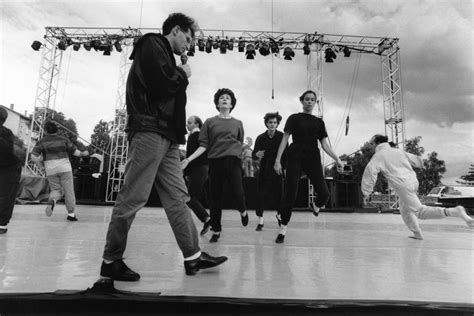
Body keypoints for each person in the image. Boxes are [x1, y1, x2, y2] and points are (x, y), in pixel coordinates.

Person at [98, 13, 227, 282]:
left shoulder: (166, 55)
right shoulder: (152, 44)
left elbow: (169, 93)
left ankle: (193, 256)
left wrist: (179, 75)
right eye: (188, 38)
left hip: (167, 134)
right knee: (133, 196)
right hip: (149, 130)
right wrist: (181, 74)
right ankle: (111, 260)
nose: (189, 45)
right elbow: (162, 86)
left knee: (178, 197)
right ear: (176, 30)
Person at [362, 134, 474, 240]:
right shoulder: (398, 151)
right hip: (413, 182)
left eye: (372, 144)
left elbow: (370, 173)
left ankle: (455, 211)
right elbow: (417, 161)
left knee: (420, 212)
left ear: (377, 143)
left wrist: (366, 193)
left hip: (402, 185)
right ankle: (417, 233)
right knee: (405, 209)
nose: (371, 146)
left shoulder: (378, 156)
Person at [274, 90, 342, 243]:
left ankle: (316, 206)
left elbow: (325, 144)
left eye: (312, 99)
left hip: (312, 156)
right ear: (302, 101)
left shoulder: (319, 122)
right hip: (295, 155)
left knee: (324, 194)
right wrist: (278, 160)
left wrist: (337, 158)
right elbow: (285, 139)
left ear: (315, 102)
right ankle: (283, 228)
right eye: (307, 99)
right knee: (291, 193)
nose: (309, 101)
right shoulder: (294, 118)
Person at [182, 88, 249, 243]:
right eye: (221, 98)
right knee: (215, 198)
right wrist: (188, 159)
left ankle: (243, 210)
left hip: (233, 161)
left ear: (231, 104)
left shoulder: (238, 123)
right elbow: (204, 145)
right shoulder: (209, 122)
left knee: (238, 192)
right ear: (217, 103)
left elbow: (238, 142)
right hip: (215, 162)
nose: (224, 100)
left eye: (227, 98)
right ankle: (216, 229)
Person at [31, 121, 89, 221]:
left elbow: (33, 157)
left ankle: (52, 200)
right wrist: (84, 153)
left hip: (50, 170)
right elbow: (76, 152)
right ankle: (71, 214)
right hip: (65, 168)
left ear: (45, 131)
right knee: (69, 191)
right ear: (57, 130)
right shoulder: (63, 140)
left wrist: (41, 166)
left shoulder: (41, 142)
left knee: (56, 190)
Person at [252, 112, 286, 231]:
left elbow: (287, 154)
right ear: (266, 123)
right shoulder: (260, 138)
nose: (272, 124)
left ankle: (279, 215)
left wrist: (284, 168)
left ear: (277, 124)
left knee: (280, 196)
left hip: (278, 170)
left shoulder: (282, 136)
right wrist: (256, 154)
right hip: (264, 170)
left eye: (274, 122)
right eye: (270, 122)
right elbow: (254, 154)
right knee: (261, 196)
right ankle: (260, 221)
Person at [184, 115, 211, 236]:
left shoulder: (194, 136)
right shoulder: (200, 136)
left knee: (189, 197)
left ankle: (207, 219)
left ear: (197, 124)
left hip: (198, 170)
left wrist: (186, 171)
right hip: (202, 169)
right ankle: (208, 219)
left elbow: (191, 155)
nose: (187, 125)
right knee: (195, 196)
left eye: (189, 122)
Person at [0, 107, 22, 234]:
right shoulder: (7, 134)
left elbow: (9, 151)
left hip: (9, 167)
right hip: (10, 167)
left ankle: (2, 224)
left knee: (5, 195)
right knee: (5, 195)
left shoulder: (6, 134)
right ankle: (2, 223)